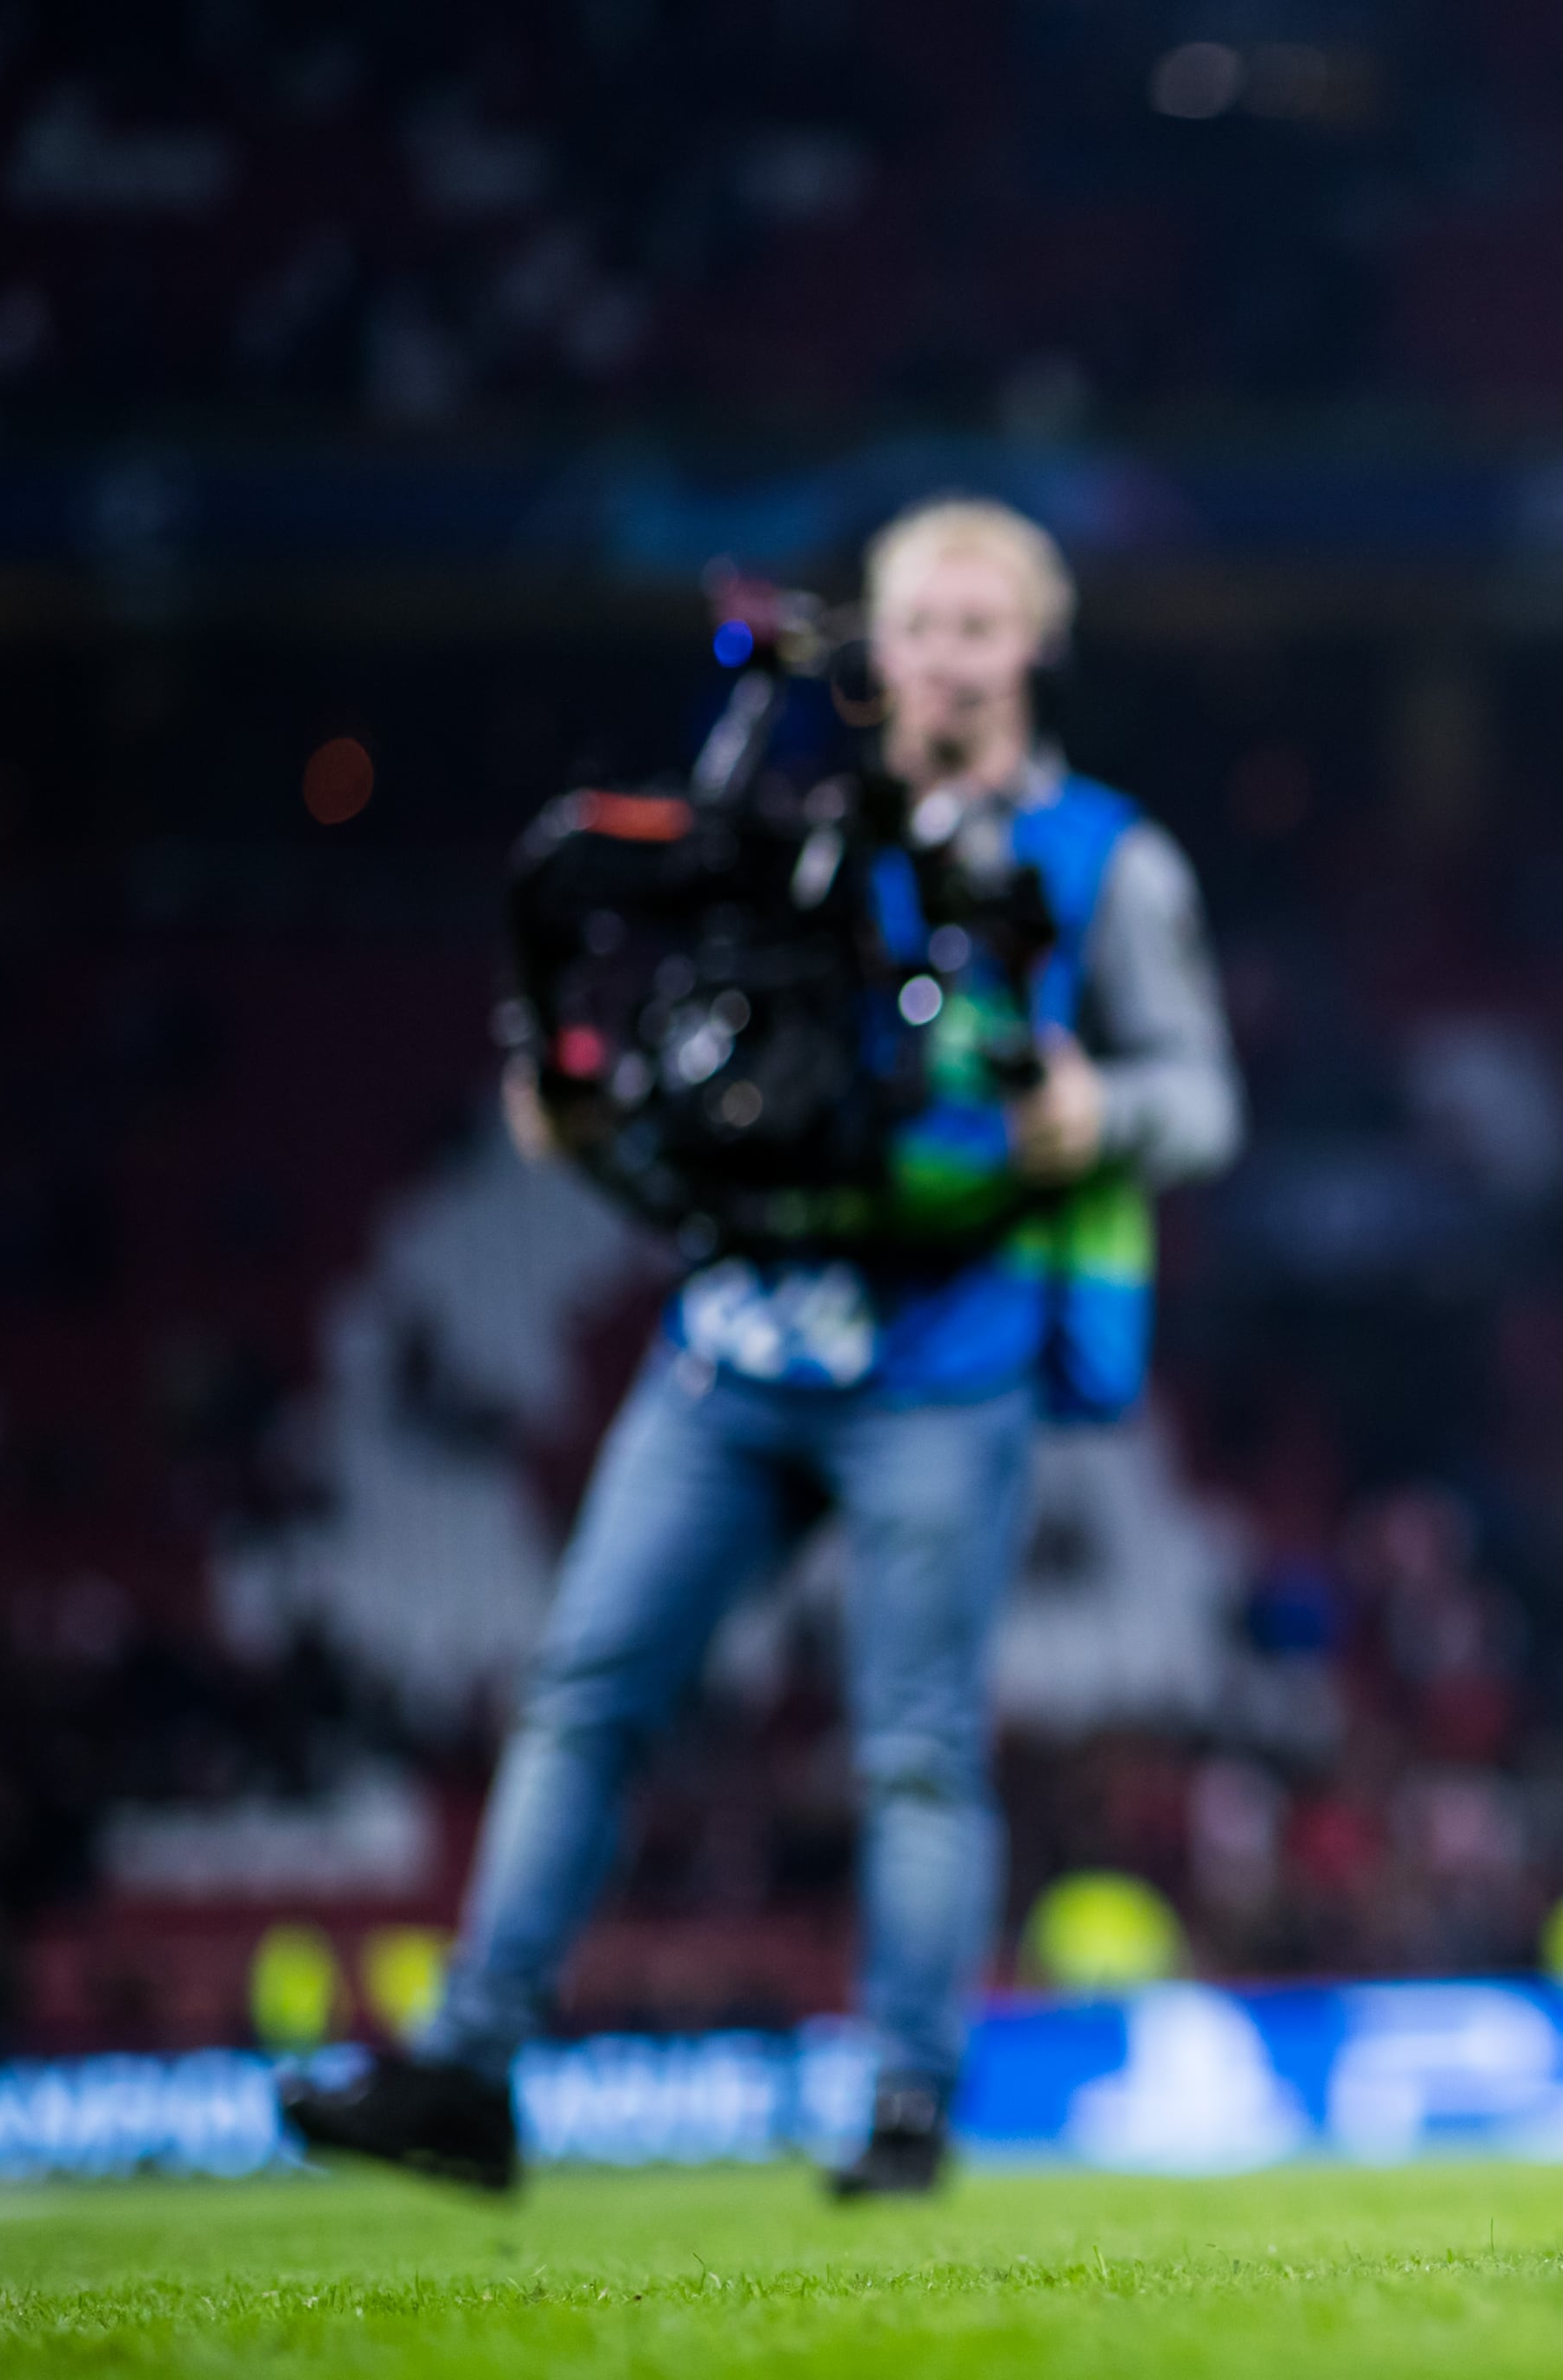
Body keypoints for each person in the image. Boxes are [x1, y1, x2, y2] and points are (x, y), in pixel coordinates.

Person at [286, 497, 1242, 2200]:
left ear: (1033, 644)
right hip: (739, 1327)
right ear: (872, 644)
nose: (942, 654)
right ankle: (469, 2069)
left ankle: (903, 2105)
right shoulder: (781, 828)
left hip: (946, 1344)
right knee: (585, 1690)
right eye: (915, 624)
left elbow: (1204, 1101)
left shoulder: (1110, 859)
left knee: (914, 1741)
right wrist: (596, 1116)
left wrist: (1097, 1111)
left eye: (974, 622)